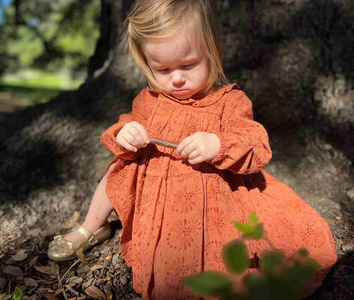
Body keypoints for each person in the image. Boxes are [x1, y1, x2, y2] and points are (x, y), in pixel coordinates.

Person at [48, 0, 337, 298]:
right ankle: (92, 226)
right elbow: (126, 123)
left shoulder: (229, 101)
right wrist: (127, 132)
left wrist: (218, 145)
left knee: (219, 253)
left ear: (212, 51)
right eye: (162, 68)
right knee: (117, 170)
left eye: (188, 65)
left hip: (209, 194)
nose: (176, 78)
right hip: (154, 183)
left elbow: (255, 142)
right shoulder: (150, 99)